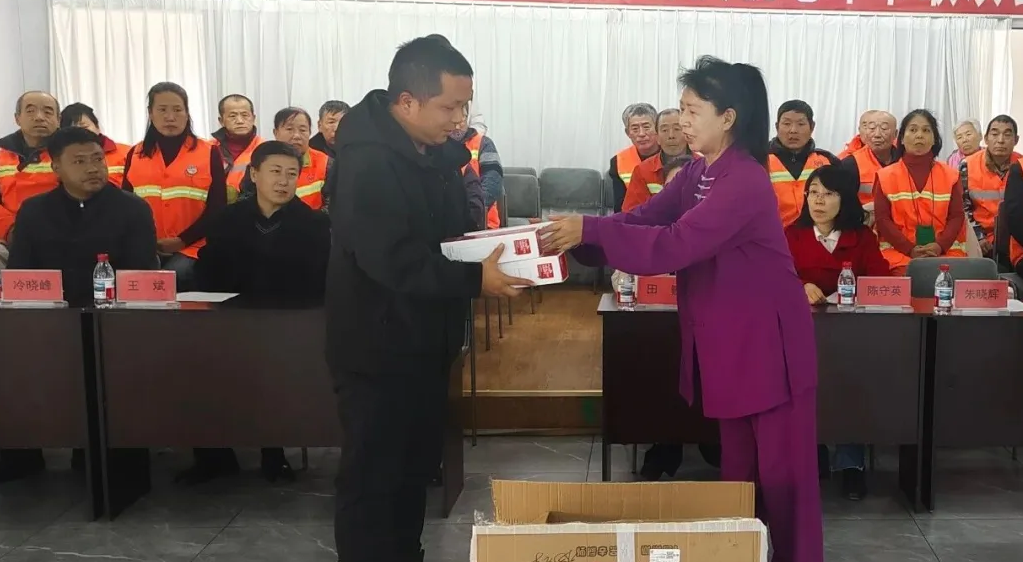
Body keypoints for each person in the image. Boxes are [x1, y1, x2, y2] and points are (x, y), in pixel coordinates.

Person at [543, 56, 823, 562]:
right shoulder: (697, 172)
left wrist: (589, 231)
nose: (682, 121)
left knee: (785, 482)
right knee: (740, 478)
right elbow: (646, 218)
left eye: (693, 111)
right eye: (681, 108)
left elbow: (674, 243)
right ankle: (744, 553)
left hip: (770, 347)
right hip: (730, 344)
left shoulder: (745, 180)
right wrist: (581, 237)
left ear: (728, 117)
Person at [327, 37, 530, 562]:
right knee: (375, 478)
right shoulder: (368, 161)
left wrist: (503, 252)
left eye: (465, 106)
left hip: (425, 342)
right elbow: (390, 258)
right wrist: (475, 280)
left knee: (413, 469)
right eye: (449, 107)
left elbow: (452, 232)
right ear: (407, 102)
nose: (460, 120)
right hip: (378, 348)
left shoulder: (436, 154)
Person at [0, 127, 156, 483]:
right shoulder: (34, 210)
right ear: (56, 167)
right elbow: (22, 274)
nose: (93, 168)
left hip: (113, 325)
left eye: (98, 159)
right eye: (80, 161)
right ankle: (22, 452)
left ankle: (106, 454)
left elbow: (142, 273)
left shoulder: (132, 209)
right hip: (50, 324)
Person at [179, 141, 331, 485]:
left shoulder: (314, 224)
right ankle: (214, 457)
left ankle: (273, 454)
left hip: (288, 325)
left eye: (291, 174)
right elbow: (209, 270)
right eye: (275, 172)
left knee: (274, 372)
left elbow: (317, 279)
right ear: (254, 174)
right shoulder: (228, 219)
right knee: (197, 365)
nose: (283, 181)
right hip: (232, 321)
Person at [785, 165, 888, 501]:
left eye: (828, 194)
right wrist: (799, 286)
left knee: (851, 387)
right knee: (803, 389)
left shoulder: (862, 238)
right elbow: (771, 278)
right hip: (800, 336)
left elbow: (881, 283)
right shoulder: (791, 235)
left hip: (851, 337)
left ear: (844, 199)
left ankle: (850, 464)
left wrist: (854, 294)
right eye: (813, 192)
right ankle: (812, 456)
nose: (819, 201)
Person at [121, 82, 228, 292]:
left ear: (187, 114)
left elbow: (217, 208)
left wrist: (181, 241)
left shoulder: (208, 152)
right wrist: (147, 242)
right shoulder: (135, 154)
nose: (170, 117)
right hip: (146, 246)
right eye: (162, 110)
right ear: (150, 114)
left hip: (193, 247)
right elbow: (125, 206)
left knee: (172, 278)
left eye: (178, 110)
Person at [874, 109, 967, 275]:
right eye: (913, 129)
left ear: (934, 139)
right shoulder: (885, 176)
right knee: (906, 275)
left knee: (945, 277)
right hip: (899, 253)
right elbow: (882, 219)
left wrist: (940, 246)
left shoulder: (951, 175)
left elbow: (957, 216)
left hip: (944, 252)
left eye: (926, 130)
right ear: (902, 138)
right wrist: (909, 248)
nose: (919, 135)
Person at [0, 91, 61, 253]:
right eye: (30, 111)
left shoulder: (71, 151)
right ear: (17, 118)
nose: (39, 117)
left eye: (48, 111)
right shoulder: (1, 152)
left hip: (62, 233)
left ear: (59, 119)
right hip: (9, 236)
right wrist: (10, 230)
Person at [242, 107, 331, 212]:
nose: (297, 136)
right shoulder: (261, 162)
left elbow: (333, 206)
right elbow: (246, 200)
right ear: (275, 132)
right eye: (289, 129)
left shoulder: (326, 163)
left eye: (303, 130)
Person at [767, 100, 839, 227]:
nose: (793, 130)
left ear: (812, 127)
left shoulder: (828, 161)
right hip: (772, 235)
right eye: (787, 123)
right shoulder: (758, 160)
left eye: (801, 124)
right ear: (777, 127)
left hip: (815, 235)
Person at [961, 115, 1020, 259]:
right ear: (986, 139)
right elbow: (962, 208)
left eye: (1007, 135)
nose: (1000, 140)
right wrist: (978, 237)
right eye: (995, 134)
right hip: (980, 238)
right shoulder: (967, 165)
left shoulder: (1021, 165)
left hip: (1015, 238)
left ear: (1016, 140)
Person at [622, 108, 693, 212]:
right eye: (664, 130)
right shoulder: (643, 171)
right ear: (657, 137)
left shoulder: (706, 165)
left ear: (688, 133)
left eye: (677, 129)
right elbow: (631, 214)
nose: (671, 136)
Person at [59, 103, 132, 188]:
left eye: (84, 127)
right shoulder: (62, 158)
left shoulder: (127, 152)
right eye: (73, 130)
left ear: (97, 126)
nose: (80, 133)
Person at [451, 110, 503, 229]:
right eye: (452, 119)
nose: (457, 126)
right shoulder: (436, 144)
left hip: (484, 225)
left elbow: (493, 181)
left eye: (462, 119)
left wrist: (472, 209)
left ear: (467, 118)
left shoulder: (483, 143)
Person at [841, 111, 898, 208]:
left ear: (895, 134)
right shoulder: (850, 164)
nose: (877, 134)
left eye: (884, 128)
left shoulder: (905, 161)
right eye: (872, 128)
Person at [610, 103, 660, 212]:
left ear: (657, 128)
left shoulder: (673, 155)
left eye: (646, 127)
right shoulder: (618, 161)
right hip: (633, 217)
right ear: (628, 133)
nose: (641, 134)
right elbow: (619, 207)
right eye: (635, 129)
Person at [211, 94, 262, 202]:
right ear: (221, 121)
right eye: (232, 116)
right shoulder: (209, 148)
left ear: (253, 118)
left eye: (245, 115)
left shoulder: (265, 148)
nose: (240, 121)